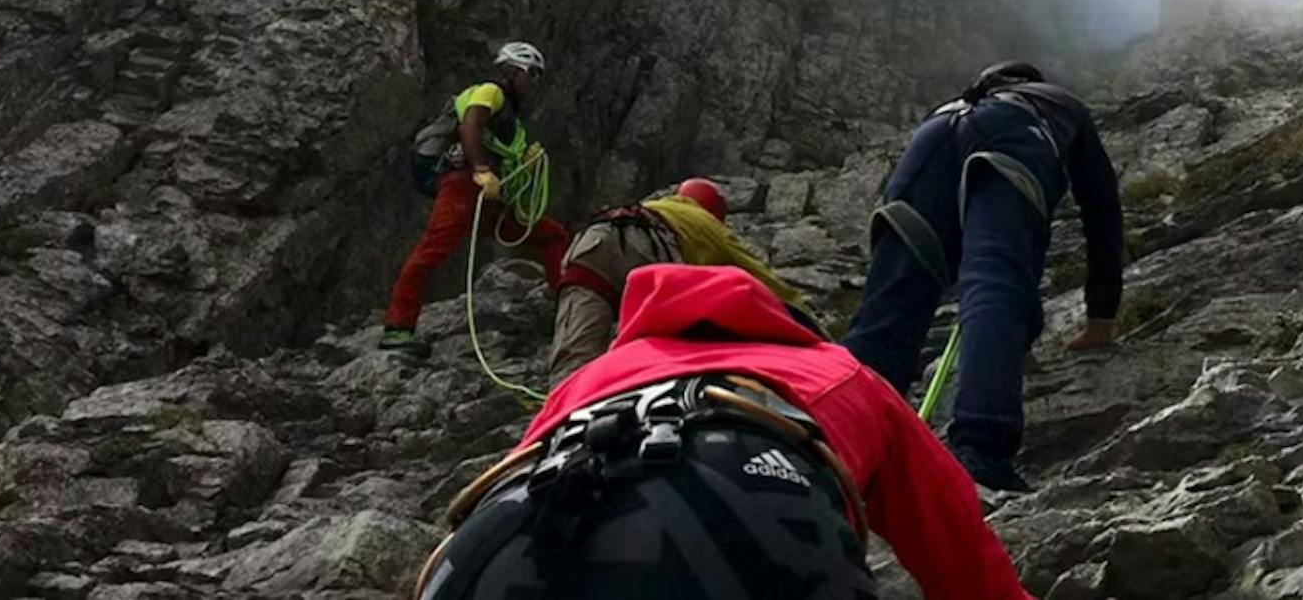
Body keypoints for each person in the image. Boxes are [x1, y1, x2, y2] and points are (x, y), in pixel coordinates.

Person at [413, 264, 1035, 599]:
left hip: (503, 534)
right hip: (746, 493)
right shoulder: (836, 368)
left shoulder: (591, 378)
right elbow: (957, 549)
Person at [842, 61, 1122, 493]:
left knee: (889, 300)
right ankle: (980, 450)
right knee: (995, 277)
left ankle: (838, 446)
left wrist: (1015, 344)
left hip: (930, 139)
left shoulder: (961, 102)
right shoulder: (1062, 105)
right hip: (1013, 135)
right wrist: (1101, 316)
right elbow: (1102, 213)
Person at [381, 42, 571, 354]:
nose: (534, 81)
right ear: (512, 70)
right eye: (531, 73)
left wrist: (524, 162)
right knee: (432, 250)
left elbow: (502, 157)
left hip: (487, 196)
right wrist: (481, 169)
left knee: (551, 234)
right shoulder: (490, 92)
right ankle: (398, 328)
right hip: (462, 184)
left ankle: (568, 309)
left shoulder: (513, 122)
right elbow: (470, 125)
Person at [549, 177, 812, 380]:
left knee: (576, 351)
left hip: (591, 245)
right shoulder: (708, 224)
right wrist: (807, 320)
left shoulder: (656, 206)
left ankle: (561, 416)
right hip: (647, 249)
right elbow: (757, 277)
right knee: (658, 348)